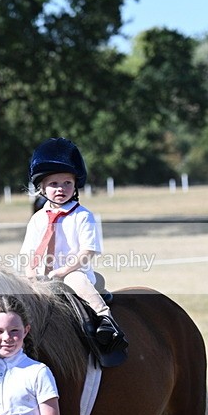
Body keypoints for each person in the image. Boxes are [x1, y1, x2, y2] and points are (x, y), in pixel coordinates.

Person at [20, 137, 126, 357]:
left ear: (75, 185)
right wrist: (30, 274)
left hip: (74, 271)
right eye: (54, 184)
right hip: (42, 275)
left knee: (75, 280)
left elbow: (87, 252)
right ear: (42, 188)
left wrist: (63, 270)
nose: (61, 189)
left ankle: (105, 318)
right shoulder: (38, 219)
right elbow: (29, 252)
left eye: (67, 183)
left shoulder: (83, 216)